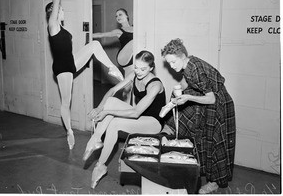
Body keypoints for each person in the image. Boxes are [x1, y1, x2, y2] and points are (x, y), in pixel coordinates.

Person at [45, 0, 123, 150]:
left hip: (71, 61)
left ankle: (111, 67)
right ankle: (70, 131)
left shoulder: (62, 28)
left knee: (95, 45)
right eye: (60, 10)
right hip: (63, 68)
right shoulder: (53, 26)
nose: (63, 11)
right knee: (66, 102)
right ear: (53, 13)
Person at [161, 38, 236, 194]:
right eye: (169, 64)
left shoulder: (194, 68)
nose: (172, 67)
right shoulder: (188, 65)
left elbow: (211, 98)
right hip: (210, 101)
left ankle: (214, 182)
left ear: (182, 57)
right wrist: (174, 95)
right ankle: (184, 157)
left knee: (214, 142)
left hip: (219, 104)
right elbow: (184, 83)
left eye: (173, 62)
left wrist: (188, 98)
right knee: (188, 120)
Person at [83, 50, 166, 189]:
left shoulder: (155, 85)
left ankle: (101, 166)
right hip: (141, 116)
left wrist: (107, 112)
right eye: (136, 67)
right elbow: (113, 90)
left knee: (114, 122)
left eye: (143, 69)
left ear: (151, 68)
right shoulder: (135, 74)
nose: (138, 71)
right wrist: (99, 108)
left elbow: (135, 112)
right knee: (110, 101)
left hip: (153, 122)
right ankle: (95, 140)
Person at [93, 9, 133, 102]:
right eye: (116, 16)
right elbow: (101, 35)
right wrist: (86, 34)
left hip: (132, 60)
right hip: (123, 57)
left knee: (128, 88)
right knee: (134, 41)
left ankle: (125, 108)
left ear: (127, 16)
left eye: (120, 15)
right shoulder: (118, 31)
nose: (118, 17)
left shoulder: (136, 28)